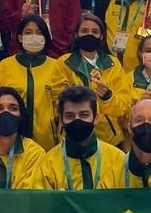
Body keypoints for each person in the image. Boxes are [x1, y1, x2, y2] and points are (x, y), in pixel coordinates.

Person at [52, 12, 130, 148]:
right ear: (76, 34)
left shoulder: (114, 63)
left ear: (101, 36)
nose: (90, 35)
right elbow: (58, 99)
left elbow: (124, 105)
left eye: (95, 31)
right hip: (72, 134)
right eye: (84, 31)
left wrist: (107, 97)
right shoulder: (64, 63)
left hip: (109, 138)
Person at [30, 86, 124, 190]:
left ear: (95, 118)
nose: (77, 120)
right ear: (61, 119)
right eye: (70, 116)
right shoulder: (47, 164)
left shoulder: (117, 159)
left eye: (84, 115)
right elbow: (42, 204)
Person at [0, 15, 59, 150]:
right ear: (20, 37)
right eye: (28, 33)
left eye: (39, 33)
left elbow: (62, 105)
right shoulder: (5, 66)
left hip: (47, 142)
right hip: (10, 138)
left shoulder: (57, 67)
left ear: (46, 37)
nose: (33, 36)